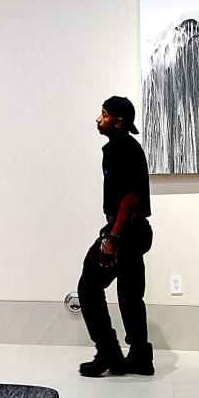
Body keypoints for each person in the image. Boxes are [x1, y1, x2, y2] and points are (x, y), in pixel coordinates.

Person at [77, 96, 154, 377]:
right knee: (130, 292)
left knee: (88, 286)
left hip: (126, 231)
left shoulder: (122, 149)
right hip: (137, 230)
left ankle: (108, 352)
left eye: (104, 114)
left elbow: (131, 197)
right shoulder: (125, 148)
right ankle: (140, 357)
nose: (98, 119)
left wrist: (113, 238)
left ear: (119, 122)